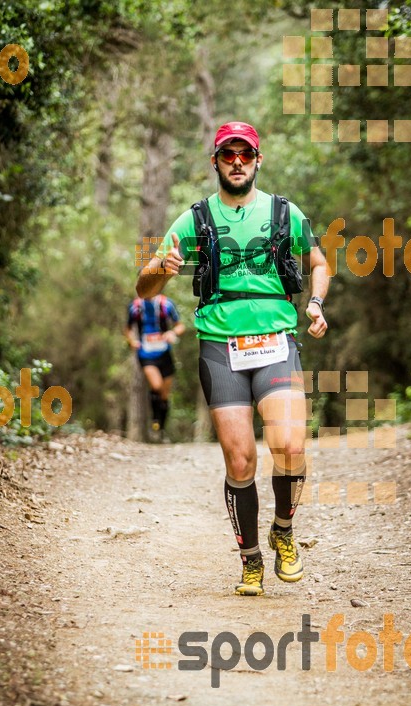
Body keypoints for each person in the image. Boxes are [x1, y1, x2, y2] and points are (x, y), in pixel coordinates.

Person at [136, 121, 330, 595]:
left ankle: (283, 530)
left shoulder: (284, 213)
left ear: (258, 160)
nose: (237, 162)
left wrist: (316, 303)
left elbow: (319, 263)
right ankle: (250, 560)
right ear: (216, 162)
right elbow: (143, 289)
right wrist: (161, 269)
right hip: (220, 349)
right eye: (229, 155)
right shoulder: (194, 220)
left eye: (246, 154)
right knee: (241, 461)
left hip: (276, 343)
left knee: (290, 447)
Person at [125, 293, 185, 440]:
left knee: (164, 394)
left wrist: (172, 333)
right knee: (156, 386)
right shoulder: (135, 307)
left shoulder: (166, 304)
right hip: (146, 354)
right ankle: (155, 422)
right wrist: (131, 341)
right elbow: (127, 328)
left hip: (164, 353)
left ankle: (160, 428)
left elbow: (180, 325)